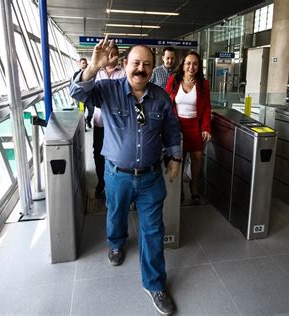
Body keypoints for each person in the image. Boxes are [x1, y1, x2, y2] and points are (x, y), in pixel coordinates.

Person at [71, 36, 181, 315]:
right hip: (117, 174)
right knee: (115, 213)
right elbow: (77, 93)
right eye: (135, 63)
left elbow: (171, 129)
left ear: (153, 68)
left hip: (151, 176)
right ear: (125, 64)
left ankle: (155, 284)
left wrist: (176, 156)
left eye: (146, 64)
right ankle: (116, 243)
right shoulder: (107, 89)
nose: (140, 69)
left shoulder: (161, 98)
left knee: (153, 231)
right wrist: (92, 68)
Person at [165, 51, 211, 202]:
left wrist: (205, 128)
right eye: (188, 63)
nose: (192, 67)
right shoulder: (173, 80)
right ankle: (179, 189)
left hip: (195, 126)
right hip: (177, 126)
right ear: (183, 65)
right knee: (180, 157)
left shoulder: (203, 84)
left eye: (195, 64)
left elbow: (206, 108)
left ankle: (194, 186)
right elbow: (166, 102)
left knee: (197, 158)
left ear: (199, 66)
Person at [92, 45, 126, 199]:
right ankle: (101, 181)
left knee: (117, 154)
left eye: (114, 54)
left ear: (118, 56)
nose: (111, 56)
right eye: (109, 53)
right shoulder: (96, 74)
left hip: (118, 125)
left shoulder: (124, 74)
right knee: (98, 153)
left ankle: (116, 183)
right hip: (100, 122)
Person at [72, 57, 94, 129]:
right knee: (81, 112)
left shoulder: (91, 73)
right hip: (81, 99)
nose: (84, 65)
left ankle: (88, 120)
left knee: (91, 110)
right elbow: (74, 85)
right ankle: (83, 125)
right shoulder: (76, 74)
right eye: (83, 63)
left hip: (89, 97)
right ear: (80, 64)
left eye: (85, 63)